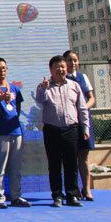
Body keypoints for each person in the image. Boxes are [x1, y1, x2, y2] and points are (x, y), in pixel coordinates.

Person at [36, 55, 90, 207]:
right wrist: (44, 88)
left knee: (71, 164)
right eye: (57, 67)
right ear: (50, 70)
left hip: (71, 129)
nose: (60, 69)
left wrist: (85, 128)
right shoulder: (44, 86)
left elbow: (82, 108)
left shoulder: (74, 86)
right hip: (52, 130)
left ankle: (72, 195)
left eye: (63, 67)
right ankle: (57, 196)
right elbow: (40, 100)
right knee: (54, 164)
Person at [0, 57, 31, 209]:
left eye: (4, 68)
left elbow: (17, 108)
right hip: (0, 133)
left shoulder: (14, 89)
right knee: (0, 167)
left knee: (16, 167)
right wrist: (3, 97)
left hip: (16, 131)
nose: (1, 71)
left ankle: (16, 196)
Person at [63, 50, 96, 201]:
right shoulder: (61, 79)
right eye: (69, 60)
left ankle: (87, 189)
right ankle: (73, 189)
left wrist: (83, 108)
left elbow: (91, 98)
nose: (73, 63)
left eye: (75, 60)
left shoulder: (83, 77)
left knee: (84, 156)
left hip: (83, 120)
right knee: (71, 157)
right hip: (69, 122)